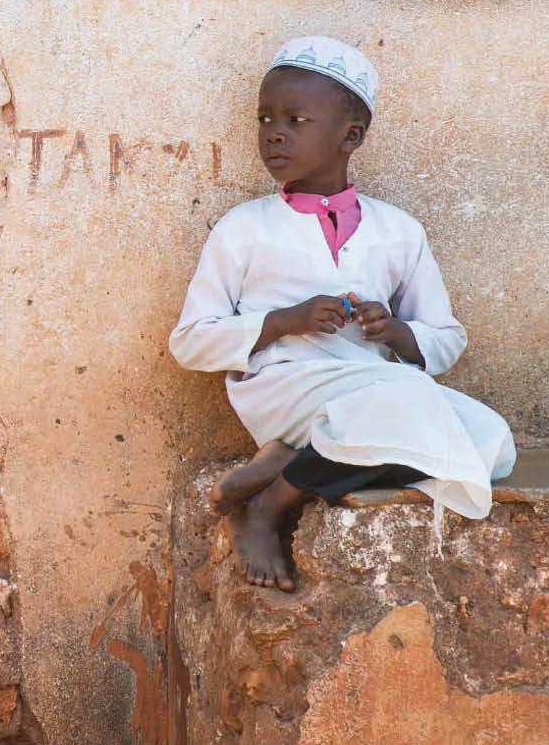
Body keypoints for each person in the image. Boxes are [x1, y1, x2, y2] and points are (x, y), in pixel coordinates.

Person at [168, 36, 515, 591]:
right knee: (407, 404)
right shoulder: (244, 228)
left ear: (349, 137)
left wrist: (397, 331)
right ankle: (270, 505)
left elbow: (446, 339)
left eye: (296, 119)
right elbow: (189, 341)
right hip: (287, 389)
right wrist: (285, 321)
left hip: (375, 392)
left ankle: (287, 464)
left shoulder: (399, 231)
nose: (274, 132)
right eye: (265, 119)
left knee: (490, 443)